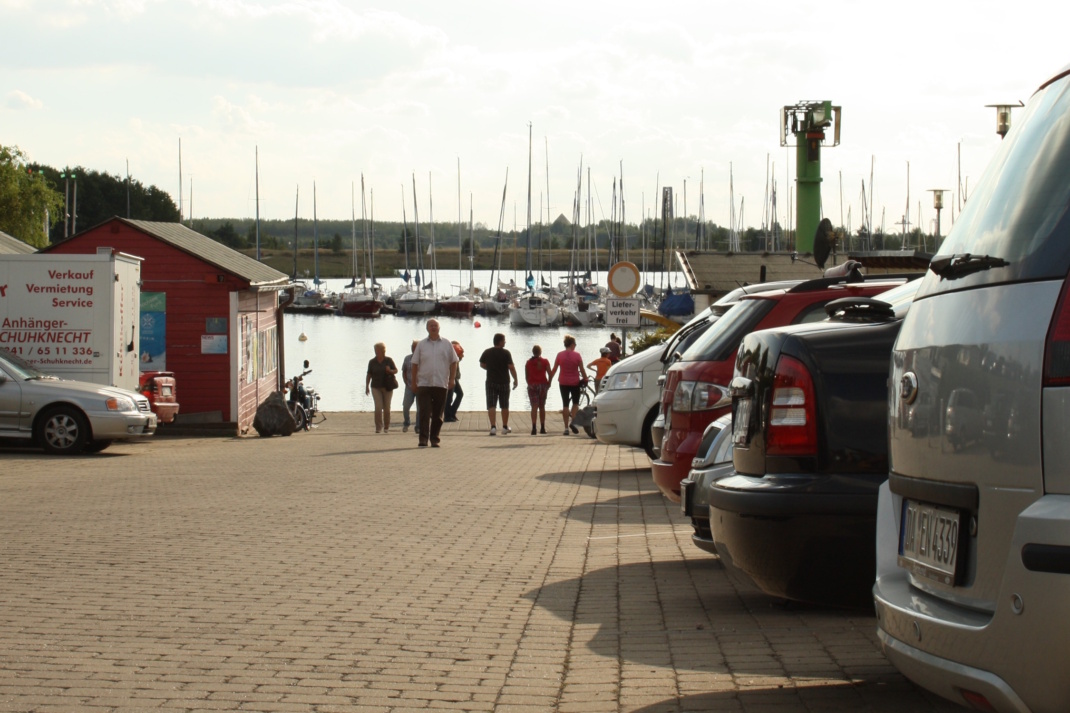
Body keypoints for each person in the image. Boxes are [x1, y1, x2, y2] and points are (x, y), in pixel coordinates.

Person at [411, 318, 459, 448]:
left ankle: (434, 439)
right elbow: (414, 364)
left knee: (438, 415)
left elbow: (454, 361)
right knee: (424, 412)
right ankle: (423, 439)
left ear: (439, 328)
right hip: (424, 383)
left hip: (440, 383)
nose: (433, 327)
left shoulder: (446, 344)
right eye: (431, 326)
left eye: (435, 325)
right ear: (427, 328)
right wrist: (414, 382)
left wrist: (452, 379)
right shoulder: (421, 345)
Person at [479, 333, 518, 436]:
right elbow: (511, 367)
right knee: (504, 404)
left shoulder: (487, 352)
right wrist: (515, 379)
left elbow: (482, 364)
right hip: (504, 382)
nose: (505, 342)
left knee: (491, 405)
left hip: (491, 381)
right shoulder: (506, 353)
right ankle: (504, 427)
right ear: (500, 342)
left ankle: (493, 427)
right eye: (504, 340)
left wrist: (490, 368)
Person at [549, 334, 586, 435]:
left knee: (565, 405)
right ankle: (573, 422)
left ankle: (566, 428)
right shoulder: (577, 355)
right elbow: (582, 369)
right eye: (575, 344)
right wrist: (585, 378)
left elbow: (554, 369)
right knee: (575, 403)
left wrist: (549, 380)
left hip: (563, 382)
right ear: (572, 344)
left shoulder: (559, 355)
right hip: (575, 382)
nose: (575, 346)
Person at [365, 342, 398, 434]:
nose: (376, 352)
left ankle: (386, 427)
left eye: (378, 350)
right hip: (375, 387)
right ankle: (378, 427)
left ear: (383, 351)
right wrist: (367, 386)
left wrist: (390, 370)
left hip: (388, 387)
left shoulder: (388, 360)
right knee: (378, 407)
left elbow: (396, 370)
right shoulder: (372, 362)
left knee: (387, 408)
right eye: (375, 350)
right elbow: (369, 374)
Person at [525, 345, 552, 435]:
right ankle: (542, 428)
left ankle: (534, 428)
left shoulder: (528, 362)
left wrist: (529, 383)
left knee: (534, 406)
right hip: (542, 385)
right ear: (540, 352)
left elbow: (526, 376)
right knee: (542, 406)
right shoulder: (545, 361)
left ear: (533, 352)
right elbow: (550, 373)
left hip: (532, 386)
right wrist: (549, 382)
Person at [401, 340, 420, 433]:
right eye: (412, 347)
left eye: (415, 347)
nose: (413, 348)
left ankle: (418, 426)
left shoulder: (423, 358)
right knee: (406, 406)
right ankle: (406, 422)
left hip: (420, 386)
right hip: (409, 386)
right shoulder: (407, 358)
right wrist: (405, 381)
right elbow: (404, 371)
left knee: (419, 408)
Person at [444, 341, 465, 422]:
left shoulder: (454, 358)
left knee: (458, 394)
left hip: (453, 378)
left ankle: (451, 413)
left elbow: (460, 358)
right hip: (450, 378)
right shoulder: (451, 358)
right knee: (450, 397)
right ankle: (448, 415)